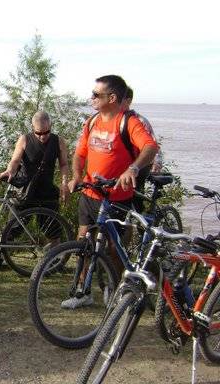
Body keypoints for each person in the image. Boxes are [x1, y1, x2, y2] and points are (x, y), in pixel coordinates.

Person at [64, 75, 158, 309]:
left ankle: (115, 291)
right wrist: (76, 176)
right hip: (90, 194)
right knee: (84, 244)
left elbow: (150, 146)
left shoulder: (129, 122)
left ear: (112, 97)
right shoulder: (93, 121)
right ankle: (84, 292)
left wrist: (133, 168)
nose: (92, 98)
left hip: (118, 198)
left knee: (116, 250)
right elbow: (79, 153)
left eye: (96, 95)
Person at [0, 111, 70, 269]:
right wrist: (9, 171)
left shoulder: (58, 141)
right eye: (38, 133)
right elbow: (15, 160)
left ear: (51, 127)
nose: (42, 136)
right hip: (25, 191)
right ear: (32, 128)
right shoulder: (24, 139)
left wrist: (64, 183)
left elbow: (64, 164)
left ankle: (55, 261)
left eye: (46, 132)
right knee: (12, 227)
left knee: (53, 230)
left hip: (46, 191)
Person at [122, 86, 164, 212]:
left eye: (120, 98)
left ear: (128, 101)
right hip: (121, 166)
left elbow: (153, 144)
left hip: (139, 166)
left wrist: (157, 163)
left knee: (133, 201)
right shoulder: (112, 120)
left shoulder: (139, 121)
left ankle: (140, 227)